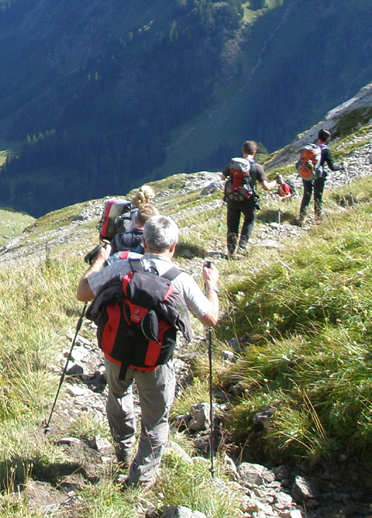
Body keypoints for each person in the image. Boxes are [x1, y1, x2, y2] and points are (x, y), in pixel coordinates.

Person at [77, 215, 220, 489]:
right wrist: (211, 283)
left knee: (118, 396)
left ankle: (122, 452)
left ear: (143, 241)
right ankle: (139, 480)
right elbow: (211, 318)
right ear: (173, 246)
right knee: (156, 420)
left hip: (116, 354)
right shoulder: (181, 280)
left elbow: (83, 293)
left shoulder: (121, 266)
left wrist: (99, 260)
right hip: (155, 363)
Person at [221, 141, 277, 257]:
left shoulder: (233, 163)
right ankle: (242, 247)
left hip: (232, 198)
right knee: (249, 220)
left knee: (232, 224)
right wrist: (275, 182)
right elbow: (266, 187)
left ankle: (230, 251)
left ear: (243, 150)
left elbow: (223, 177)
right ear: (255, 152)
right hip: (247, 200)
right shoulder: (256, 167)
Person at [299, 129, 347, 225]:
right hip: (319, 175)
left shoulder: (309, 148)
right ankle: (318, 217)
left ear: (318, 136)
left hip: (307, 173)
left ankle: (301, 218)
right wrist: (342, 167)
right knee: (318, 196)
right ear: (328, 139)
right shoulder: (326, 150)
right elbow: (332, 167)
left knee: (306, 195)